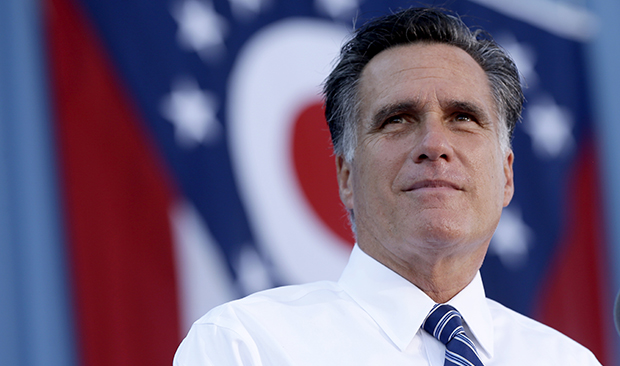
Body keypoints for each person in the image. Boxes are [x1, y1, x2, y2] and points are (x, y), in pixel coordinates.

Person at [173, 7, 602, 365]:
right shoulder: (245, 346)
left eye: (463, 118)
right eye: (396, 119)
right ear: (346, 177)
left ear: (506, 175)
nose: (434, 145)